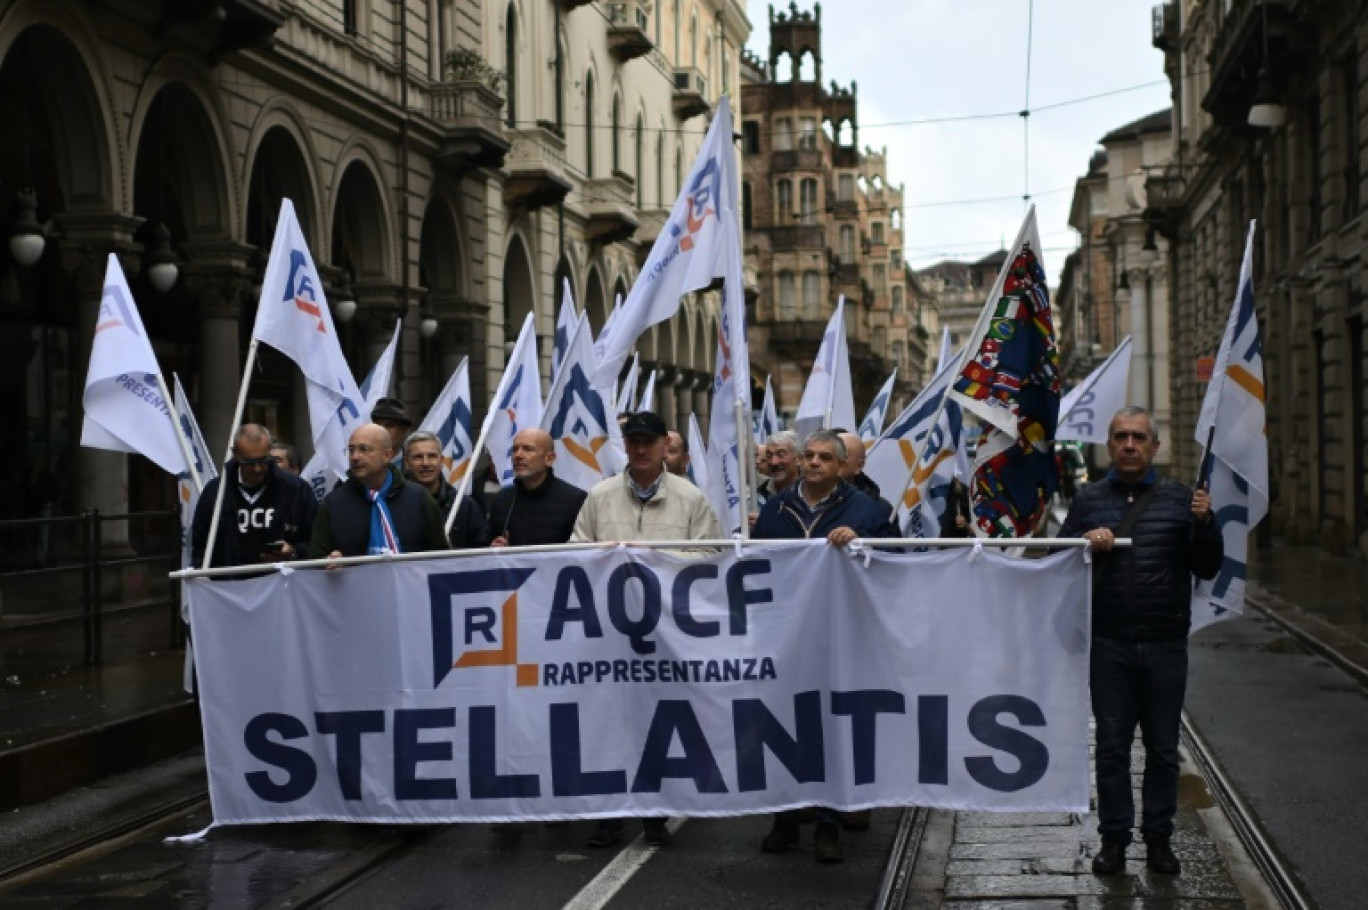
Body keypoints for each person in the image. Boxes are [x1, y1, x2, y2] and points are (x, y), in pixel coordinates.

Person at [1058, 406, 1223, 877]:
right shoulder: (1088, 500)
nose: (1129, 445)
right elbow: (1062, 566)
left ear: (1155, 446)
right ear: (1109, 445)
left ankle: (1158, 840)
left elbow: (1207, 566)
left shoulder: (1180, 498)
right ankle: (1113, 841)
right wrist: (1085, 544)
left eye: (1138, 437)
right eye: (1120, 437)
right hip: (1109, 644)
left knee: (1163, 748)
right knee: (1111, 747)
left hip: (1164, 644)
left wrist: (1206, 524)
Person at [570, 411, 723, 849]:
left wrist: (653, 557)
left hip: (666, 632)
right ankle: (610, 814)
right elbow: (574, 553)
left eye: (648, 442)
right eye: (633, 441)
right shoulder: (599, 497)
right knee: (609, 723)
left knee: (660, 722)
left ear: (662, 446)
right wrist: (603, 555)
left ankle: (656, 810)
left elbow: (710, 558)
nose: (640, 449)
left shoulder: (691, 498)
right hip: (611, 632)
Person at [751, 428, 898, 864]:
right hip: (787, 638)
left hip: (841, 636)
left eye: (824, 458)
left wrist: (863, 543)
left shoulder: (866, 510)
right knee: (785, 727)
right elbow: (759, 570)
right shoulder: (777, 508)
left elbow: (894, 563)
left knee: (834, 730)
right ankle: (785, 818)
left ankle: (830, 824)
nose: (814, 463)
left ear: (839, 467)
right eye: (809, 456)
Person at [311, 423, 448, 557]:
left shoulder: (419, 498)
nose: (355, 457)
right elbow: (315, 560)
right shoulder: (333, 504)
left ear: (387, 455)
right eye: (351, 450)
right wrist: (328, 562)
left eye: (364, 449)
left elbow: (441, 557)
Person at [192, 424, 316, 568]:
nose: (257, 469)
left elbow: (315, 541)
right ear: (235, 454)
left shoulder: (296, 489)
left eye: (263, 461)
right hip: (230, 584)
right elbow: (200, 545)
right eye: (249, 463)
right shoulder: (215, 492)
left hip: (280, 583)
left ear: (270, 451)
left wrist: (294, 552)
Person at [486, 428, 587, 547]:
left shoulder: (575, 500)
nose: (518, 455)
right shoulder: (502, 500)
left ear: (549, 459)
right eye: (515, 449)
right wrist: (493, 549)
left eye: (528, 449)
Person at [403, 430, 489, 549]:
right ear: (407, 462)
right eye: (418, 457)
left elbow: (480, 550)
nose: (425, 463)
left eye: (432, 456)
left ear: (441, 460)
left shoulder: (464, 505)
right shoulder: (392, 503)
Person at [370, 397, 414, 464]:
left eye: (389, 425)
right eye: (377, 425)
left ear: (403, 430)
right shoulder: (360, 465)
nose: (382, 430)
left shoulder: (415, 466)